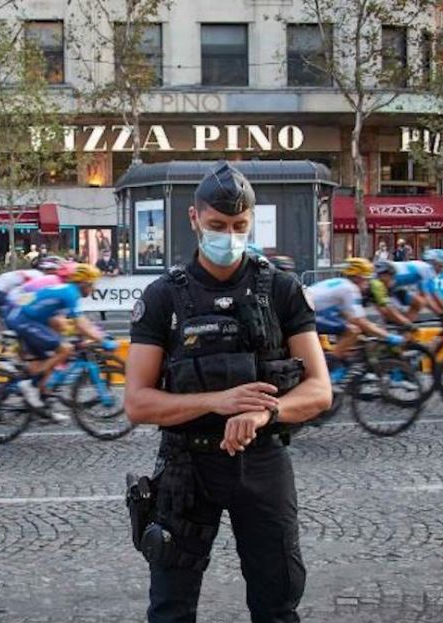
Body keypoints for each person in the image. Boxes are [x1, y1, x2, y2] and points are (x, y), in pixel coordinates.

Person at [124, 161, 332, 623]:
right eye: (217, 225)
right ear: (194, 219)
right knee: (171, 609)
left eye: (239, 225)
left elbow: (320, 390)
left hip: (263, 460)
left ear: (250, 221)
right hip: (187, 465)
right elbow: (137, 401)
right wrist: (216, 402)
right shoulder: (163, 297)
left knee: (277, 603)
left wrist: (267, 412)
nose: (229, 235)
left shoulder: (281, 290)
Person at [4, 262, 109, 411]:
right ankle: (29, 385)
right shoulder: (70, 293)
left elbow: (70, 323)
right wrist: (102, 339)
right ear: (85, 283)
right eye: (92, 285)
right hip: (23, 318)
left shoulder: (68, 290)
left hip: (26, 317)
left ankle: (42, 403)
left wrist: (91, 335)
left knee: (49, 360)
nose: (94, 289)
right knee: (65, 350)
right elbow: (80, 324)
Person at [309, 258, 404, 382]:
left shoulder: (341, 283)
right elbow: (360, 321)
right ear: (358, 277)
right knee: (353, 331)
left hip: (309, 310)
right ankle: (329, 370)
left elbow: (348, 316)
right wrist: (388, 336)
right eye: (366, 279)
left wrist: (369, 329)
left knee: (348, 331)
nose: (367, 283)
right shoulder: (351, 289)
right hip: (307, 314)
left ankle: (340, 364)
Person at [391, 249, 443, 321]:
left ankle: (405, 329)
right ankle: (403, 327)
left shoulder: (425, 269)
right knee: (418, 302)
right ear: (434, 264)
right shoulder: (426, 269)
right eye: (441, 266)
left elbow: (434, 293)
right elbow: (427, 298)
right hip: (386, 281)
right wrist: (441, 313)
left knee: (418, 303)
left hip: (395, 285)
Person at [369, 260, 414, 329]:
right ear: (383, 275)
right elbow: (386, 309)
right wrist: (407, 323)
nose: (392, 279)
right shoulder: (377, 284)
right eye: (391, 276)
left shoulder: (378, 282)